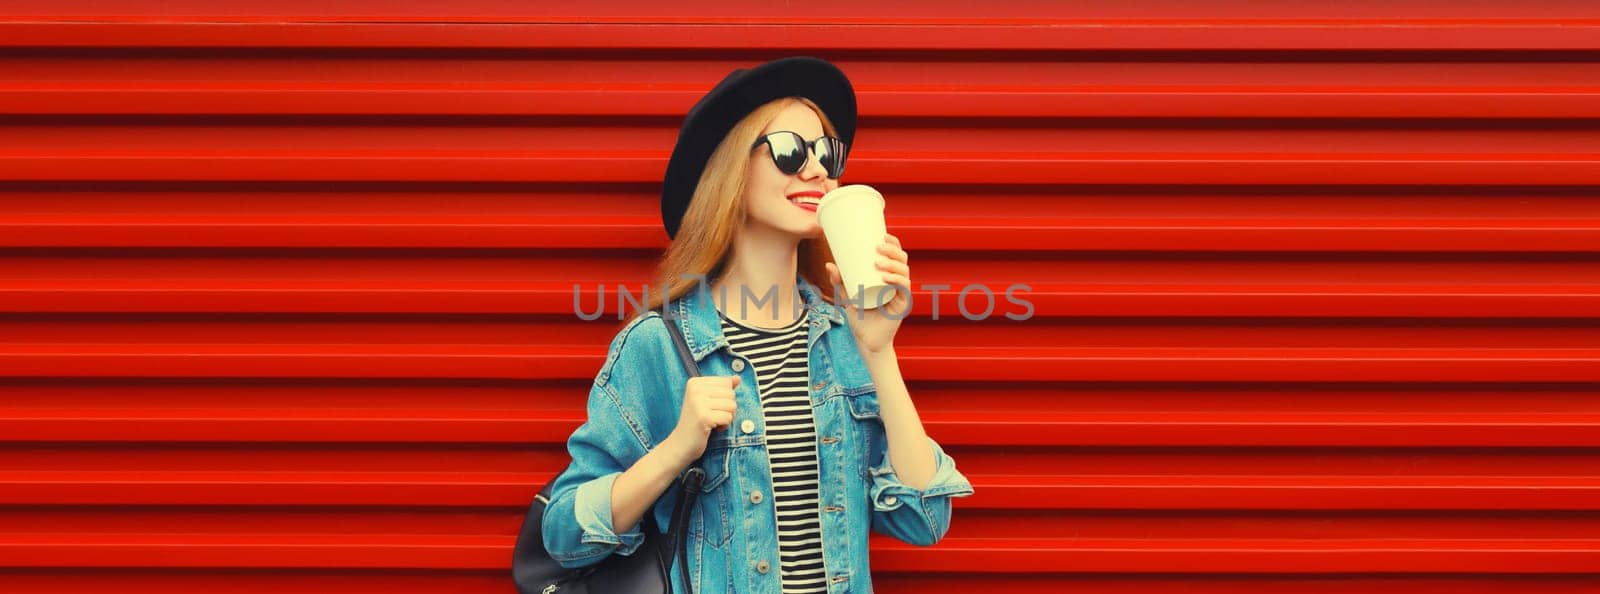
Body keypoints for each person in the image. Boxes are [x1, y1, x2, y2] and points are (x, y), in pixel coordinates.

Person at [540, 56, 974, 593]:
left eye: (827, 153)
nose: (817, 171)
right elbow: (563, 535)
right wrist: (677, 448)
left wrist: (880, 351)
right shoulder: (659, 346)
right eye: (792, 151)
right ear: (730, 171)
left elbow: (924, 520)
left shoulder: (847, 340)